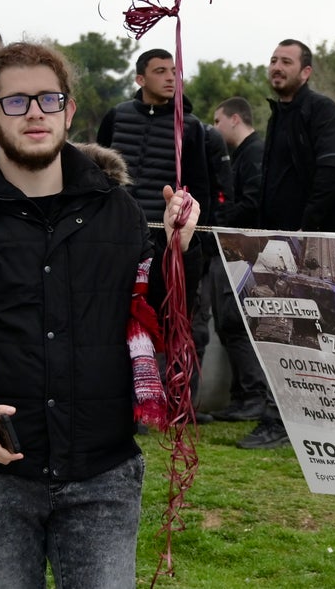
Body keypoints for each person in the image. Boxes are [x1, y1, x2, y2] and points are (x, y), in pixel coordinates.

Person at [0, 42, 200, 588]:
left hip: (102, 469)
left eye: (48, 99)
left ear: (69, 110)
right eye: (16, 102)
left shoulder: (119, 210)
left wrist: (179, 253)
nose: (35, 112)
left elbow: (154, 320)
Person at [242, 39, 335, 449]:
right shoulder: (279, 114)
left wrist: (302, 232)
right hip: (282, 242)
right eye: (273, 59)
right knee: (283, 330)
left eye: (286, 61)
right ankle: (286, 416)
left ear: (306, 71)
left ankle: (283, 421)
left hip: (312, 244)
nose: (276, 67)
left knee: (304, 333)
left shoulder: (322, 111)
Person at [97, 48, 213, 415]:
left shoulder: (191, 127)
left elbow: (202, 190)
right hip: (117, 235)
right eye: (160, 70)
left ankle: (174, 401)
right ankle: (123, 397)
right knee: (115, 315)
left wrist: (194, 244)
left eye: (174, 71)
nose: (170, 77)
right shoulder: (116, 117)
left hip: (166, 241)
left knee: (170, 320)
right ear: (140, 78)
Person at [205, 97, 269, 422]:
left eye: (217, 121)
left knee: (236, 323)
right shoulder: (241, 154)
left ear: (233, 119)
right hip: (230, 246)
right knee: (228, 324)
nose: (214, 128)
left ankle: (254, 397)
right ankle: (242, 396)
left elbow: (253, 201)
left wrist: (217, 218)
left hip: (244, 248)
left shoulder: (255, 153)